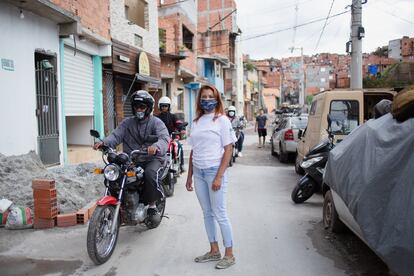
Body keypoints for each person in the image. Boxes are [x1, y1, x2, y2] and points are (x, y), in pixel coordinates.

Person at [93, 90, 170, 221]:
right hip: (132, 159)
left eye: (142, 107)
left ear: (148, 108)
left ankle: (151, 205)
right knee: (115, 173)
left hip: (152, 158)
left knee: (150, 174)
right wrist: (103, 143)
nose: (139, 109)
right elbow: (115, 136)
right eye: (136, 106)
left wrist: (156, 147)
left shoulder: (156, 123)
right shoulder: (127, 123)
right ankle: (120, 202)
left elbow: (164, 139)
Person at [186, 85, 237, 269]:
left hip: (215, 171)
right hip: (198, 172)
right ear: (200, 99)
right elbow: (194, 150)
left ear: (217, 99)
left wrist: (218, 177)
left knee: (220, 214)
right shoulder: (197, 121)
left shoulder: (222, 120)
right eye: (204, 96)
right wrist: (189, 176)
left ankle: (229, 254)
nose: (207, 99)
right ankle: (214, 250)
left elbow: (228, 149)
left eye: (210, 96)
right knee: (207, 213)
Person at [156, 96, 186, 172]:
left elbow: (178, 123)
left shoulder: (173, 116)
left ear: (169, 106)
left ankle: (181, 165)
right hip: (160, 138)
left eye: (166, 106)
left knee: (178, 145)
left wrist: (182, 129)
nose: (164, 108)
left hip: (171, 137)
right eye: (162, 106)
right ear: (159, 106)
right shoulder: (156, 117)